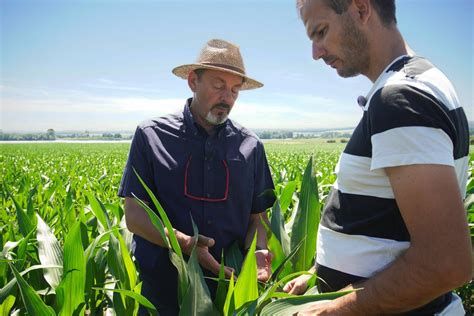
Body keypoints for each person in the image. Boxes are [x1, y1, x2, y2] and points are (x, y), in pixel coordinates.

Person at [284, 0, 472, 314]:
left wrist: (330, 311)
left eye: (320, 32)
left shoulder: (401, 98)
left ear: (360, 9)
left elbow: (446, 264)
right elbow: (384, 224)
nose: (315, 52)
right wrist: (318, 274)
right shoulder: (414, 83)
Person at [118, 39, 275, 315]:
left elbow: (257, 219)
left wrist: (259, 251)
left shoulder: (251, 146)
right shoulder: (151, 135)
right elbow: (134, 216)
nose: (227, 97)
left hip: (229, 293)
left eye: (235, 90)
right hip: (162, 293)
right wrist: (186, 245)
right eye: (218, 85)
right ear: (193, 81)